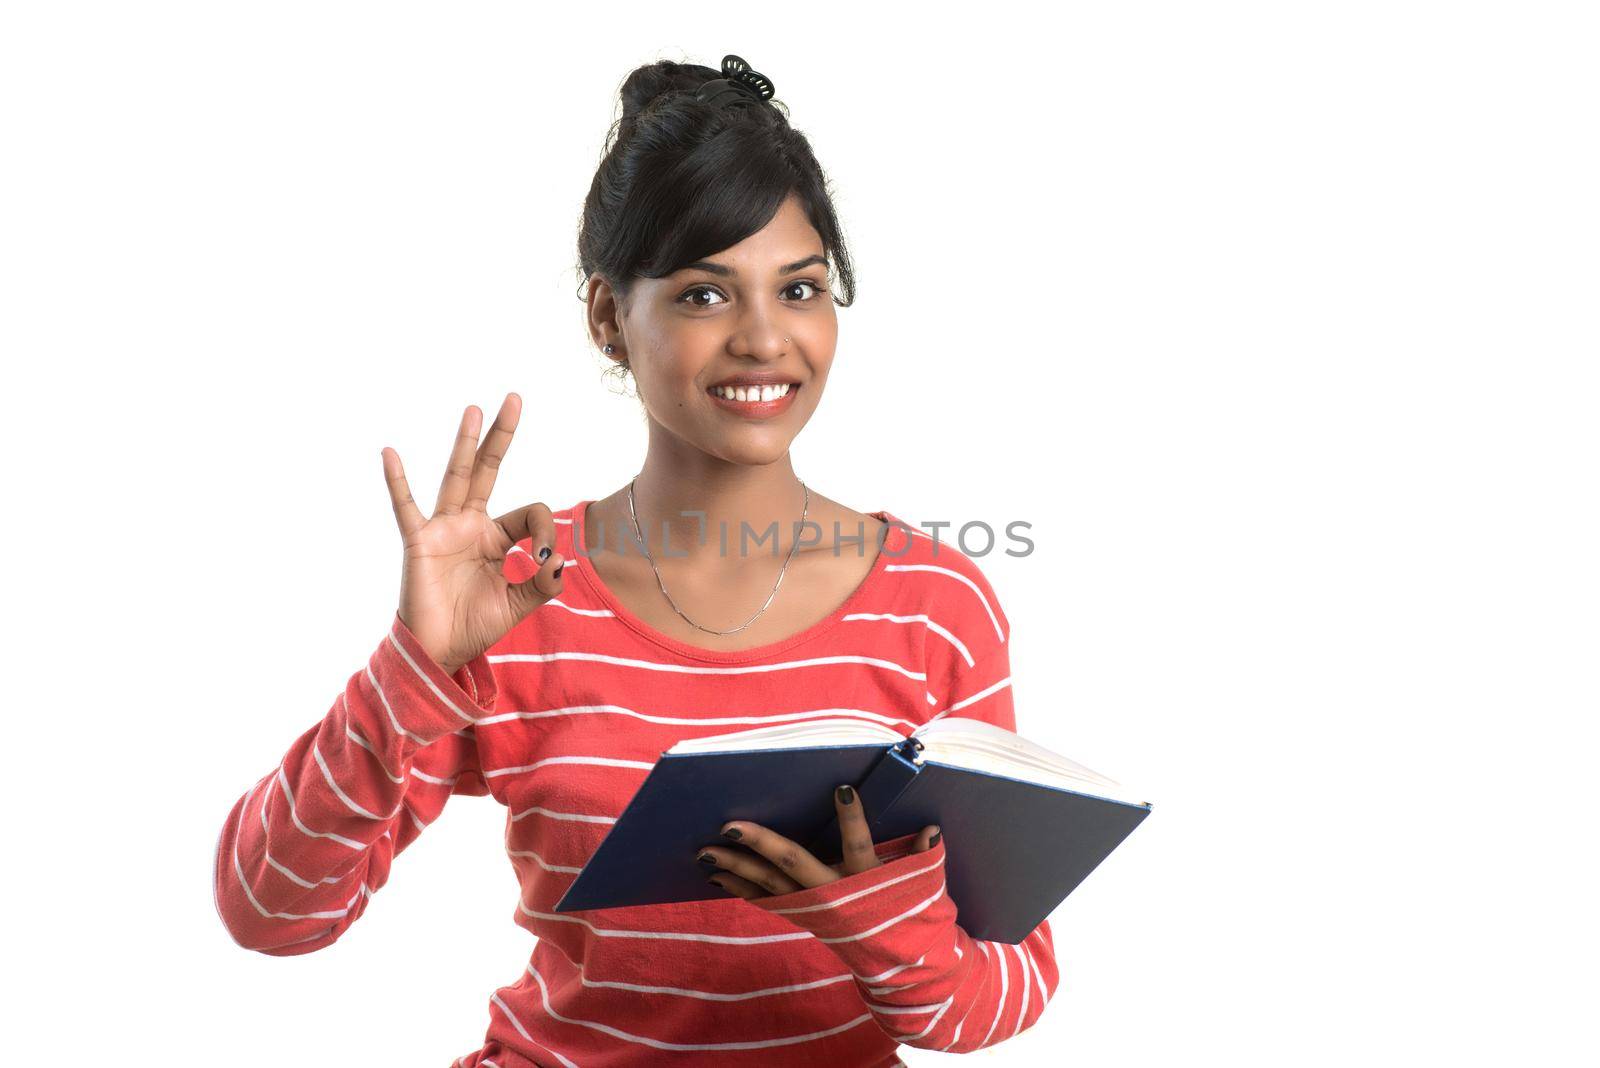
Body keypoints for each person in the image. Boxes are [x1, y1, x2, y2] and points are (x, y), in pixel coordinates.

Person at [212, 53, 1059, 1068]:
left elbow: (1002, 996)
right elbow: (271, 914)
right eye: (704, 296)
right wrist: (413, 669)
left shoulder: (935, 604)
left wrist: (878, 927)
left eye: (798, 288)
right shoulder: (519, 590)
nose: (762, 339)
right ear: (610, 319)